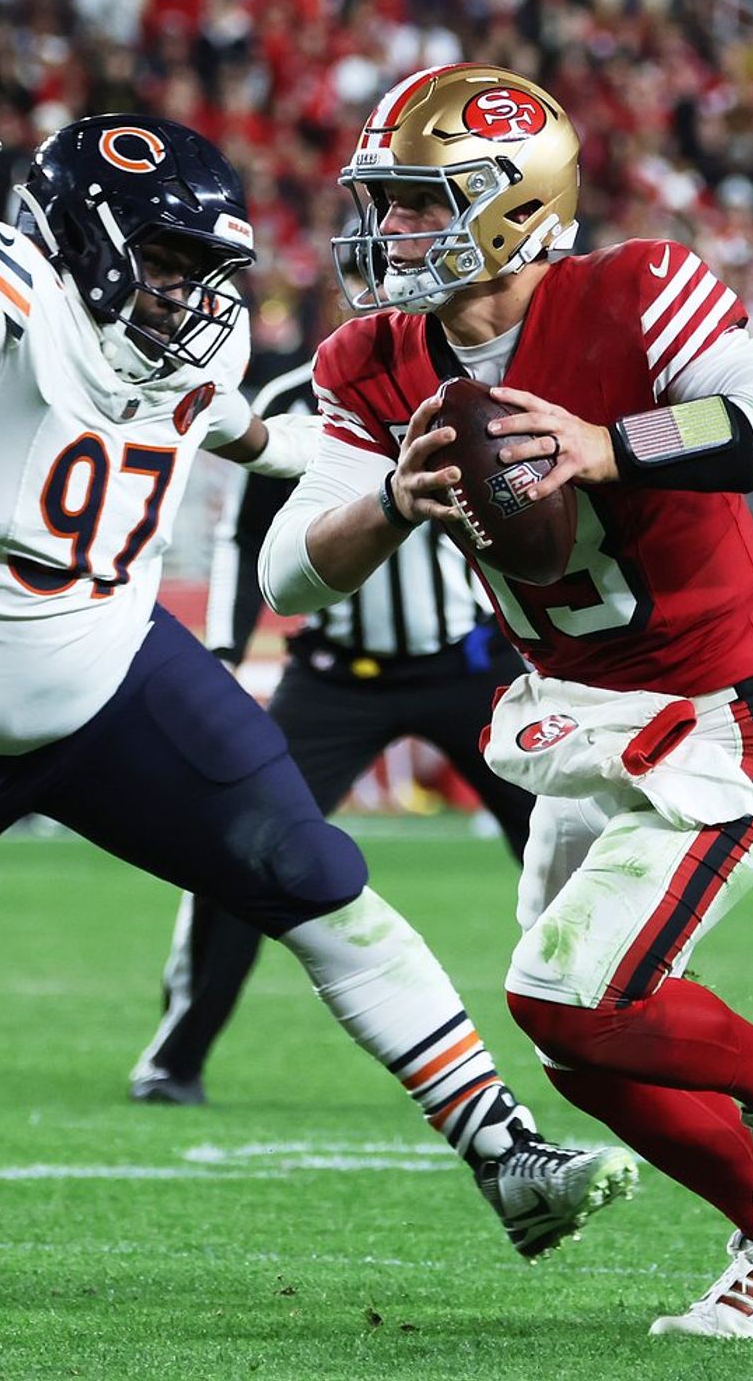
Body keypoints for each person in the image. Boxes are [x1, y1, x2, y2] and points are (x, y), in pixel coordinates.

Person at [0, 114, 638, 1278]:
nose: (190, 294)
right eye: (165, 261)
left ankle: (503, 1150)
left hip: (102, 666)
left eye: (205, 268)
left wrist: (359, 460)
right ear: (79, 239)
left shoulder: (190, 338)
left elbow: (236, 427)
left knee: (314, 873)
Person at [259, 64, 753, 1338]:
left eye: (420, 204)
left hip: (720, 715)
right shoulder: (370, 360)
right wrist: (389, 502)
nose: (389, 230)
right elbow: (286, 575)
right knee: (578, 1044)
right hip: (577, 714)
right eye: (384, 202)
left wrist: (609, 443)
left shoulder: (631, 291)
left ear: (514, 206)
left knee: (569, 995)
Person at [130, 359, 534, 1106]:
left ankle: (623, 1024)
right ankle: (176, 1053)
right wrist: (223, 655)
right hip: (335, 675)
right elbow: (247, 535)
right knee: (241, 845)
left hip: (470, 663)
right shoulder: (293, 399)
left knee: (566, 837)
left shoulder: (478, 388)